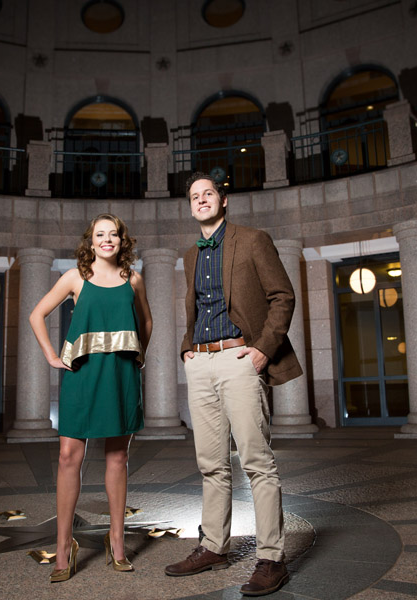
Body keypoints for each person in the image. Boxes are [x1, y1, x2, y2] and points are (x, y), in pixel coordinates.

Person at [164, 172, 302, 596]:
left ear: (224, 201)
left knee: (256, 462)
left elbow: (283, 295)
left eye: (208, 194)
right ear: (190, 207)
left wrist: (262, 348)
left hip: (241, 358)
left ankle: (271, 558)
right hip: (201, 363)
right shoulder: (191, 254)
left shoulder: (253, 239)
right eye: (194, 196)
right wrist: (187, 349)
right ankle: (213, 547)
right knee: (211, 464)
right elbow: (197, 309)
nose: (201, 200)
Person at [29, 213, 153, 583]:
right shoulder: (74, 277)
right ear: (91, 241)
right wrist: (53, 356)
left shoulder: (133, 279)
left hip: (120, 377)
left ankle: (116, 541)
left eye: (113, 234)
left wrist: (138, 356)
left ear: (121, 241)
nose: (107, 240)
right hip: (82, 377)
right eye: (100, 234)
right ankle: (64, 546)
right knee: (69, 457)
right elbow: (37, 314)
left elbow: (146, 322)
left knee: (117, 457)